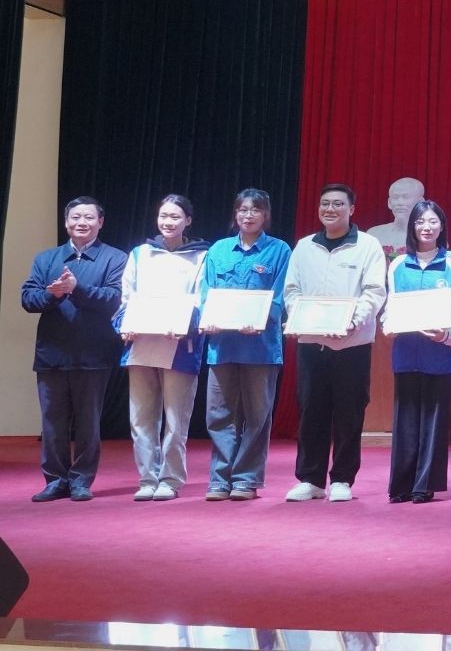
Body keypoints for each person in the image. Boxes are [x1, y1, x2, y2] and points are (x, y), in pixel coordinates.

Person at [282, 183, 387, 503]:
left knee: (349, 412)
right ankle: (310, 479)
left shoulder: (368, 246)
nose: (330, 209)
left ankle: (342, 478)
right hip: (311, 343)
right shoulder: (304, 247)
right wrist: (300, 317)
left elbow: (374, 292)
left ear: (351, 209)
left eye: (338, 204)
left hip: (352, 344)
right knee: (311, 410)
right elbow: (291, 290)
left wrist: (352, 322)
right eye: (325, 203)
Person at [21, 196, 128, 502]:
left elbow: (113, 299)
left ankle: (81, 481)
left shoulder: (115, 258)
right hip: (51, 353)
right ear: (66, 222)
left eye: (89, 217)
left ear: (100, 222)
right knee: (52, 423)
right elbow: (28, 299)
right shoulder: (46, 259)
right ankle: (55, 480)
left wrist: (76, 289)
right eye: (76, 217)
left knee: (88, 423)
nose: (82, 222)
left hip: (93, 354)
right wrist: (52, 294)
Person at [200, 188, 291, 501]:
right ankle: (219, 479)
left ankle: (246, 480)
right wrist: (208, 318)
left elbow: (281, 295)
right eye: (242, 209)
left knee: (257, 416)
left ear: (265, 215)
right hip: (222, 346)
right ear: (235, 213)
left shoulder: (279, 250)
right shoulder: (219, 250)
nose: (248, 215)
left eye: (255, 210)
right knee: (219, 414)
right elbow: (206, 291)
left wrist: (262, 319)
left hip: (260, 347)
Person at [116, 194, 207, 501]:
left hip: (179, 345)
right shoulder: (140, 254)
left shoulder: (201, 256)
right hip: (141, 344)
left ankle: (170, 479)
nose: (168, 222)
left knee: (176, 419)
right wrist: (125, 324)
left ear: (188, 221)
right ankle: (147, 478)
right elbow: (126, 297)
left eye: (175, 217)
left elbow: (201, 298)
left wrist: (184, 324)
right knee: (141, 417)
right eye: (163, 216)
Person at [382, 199, 451, 503]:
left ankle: (424, 485)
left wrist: (447, 334)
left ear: (442, 226)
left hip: (438, 353)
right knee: (405, 420)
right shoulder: (398, 264)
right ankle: (401, 485)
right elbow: (390, 305)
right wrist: (389, 325)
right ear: (412, 227)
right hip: (406, 353)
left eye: (433, 221)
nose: (427, 227)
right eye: (421, 222)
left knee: (433, 421)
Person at [368, 176, 424, 253]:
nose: (400, 202)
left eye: (406, 197)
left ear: (420, 202)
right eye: (395, 197)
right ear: (389, 202)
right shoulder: (374, 233)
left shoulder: (428, 236)